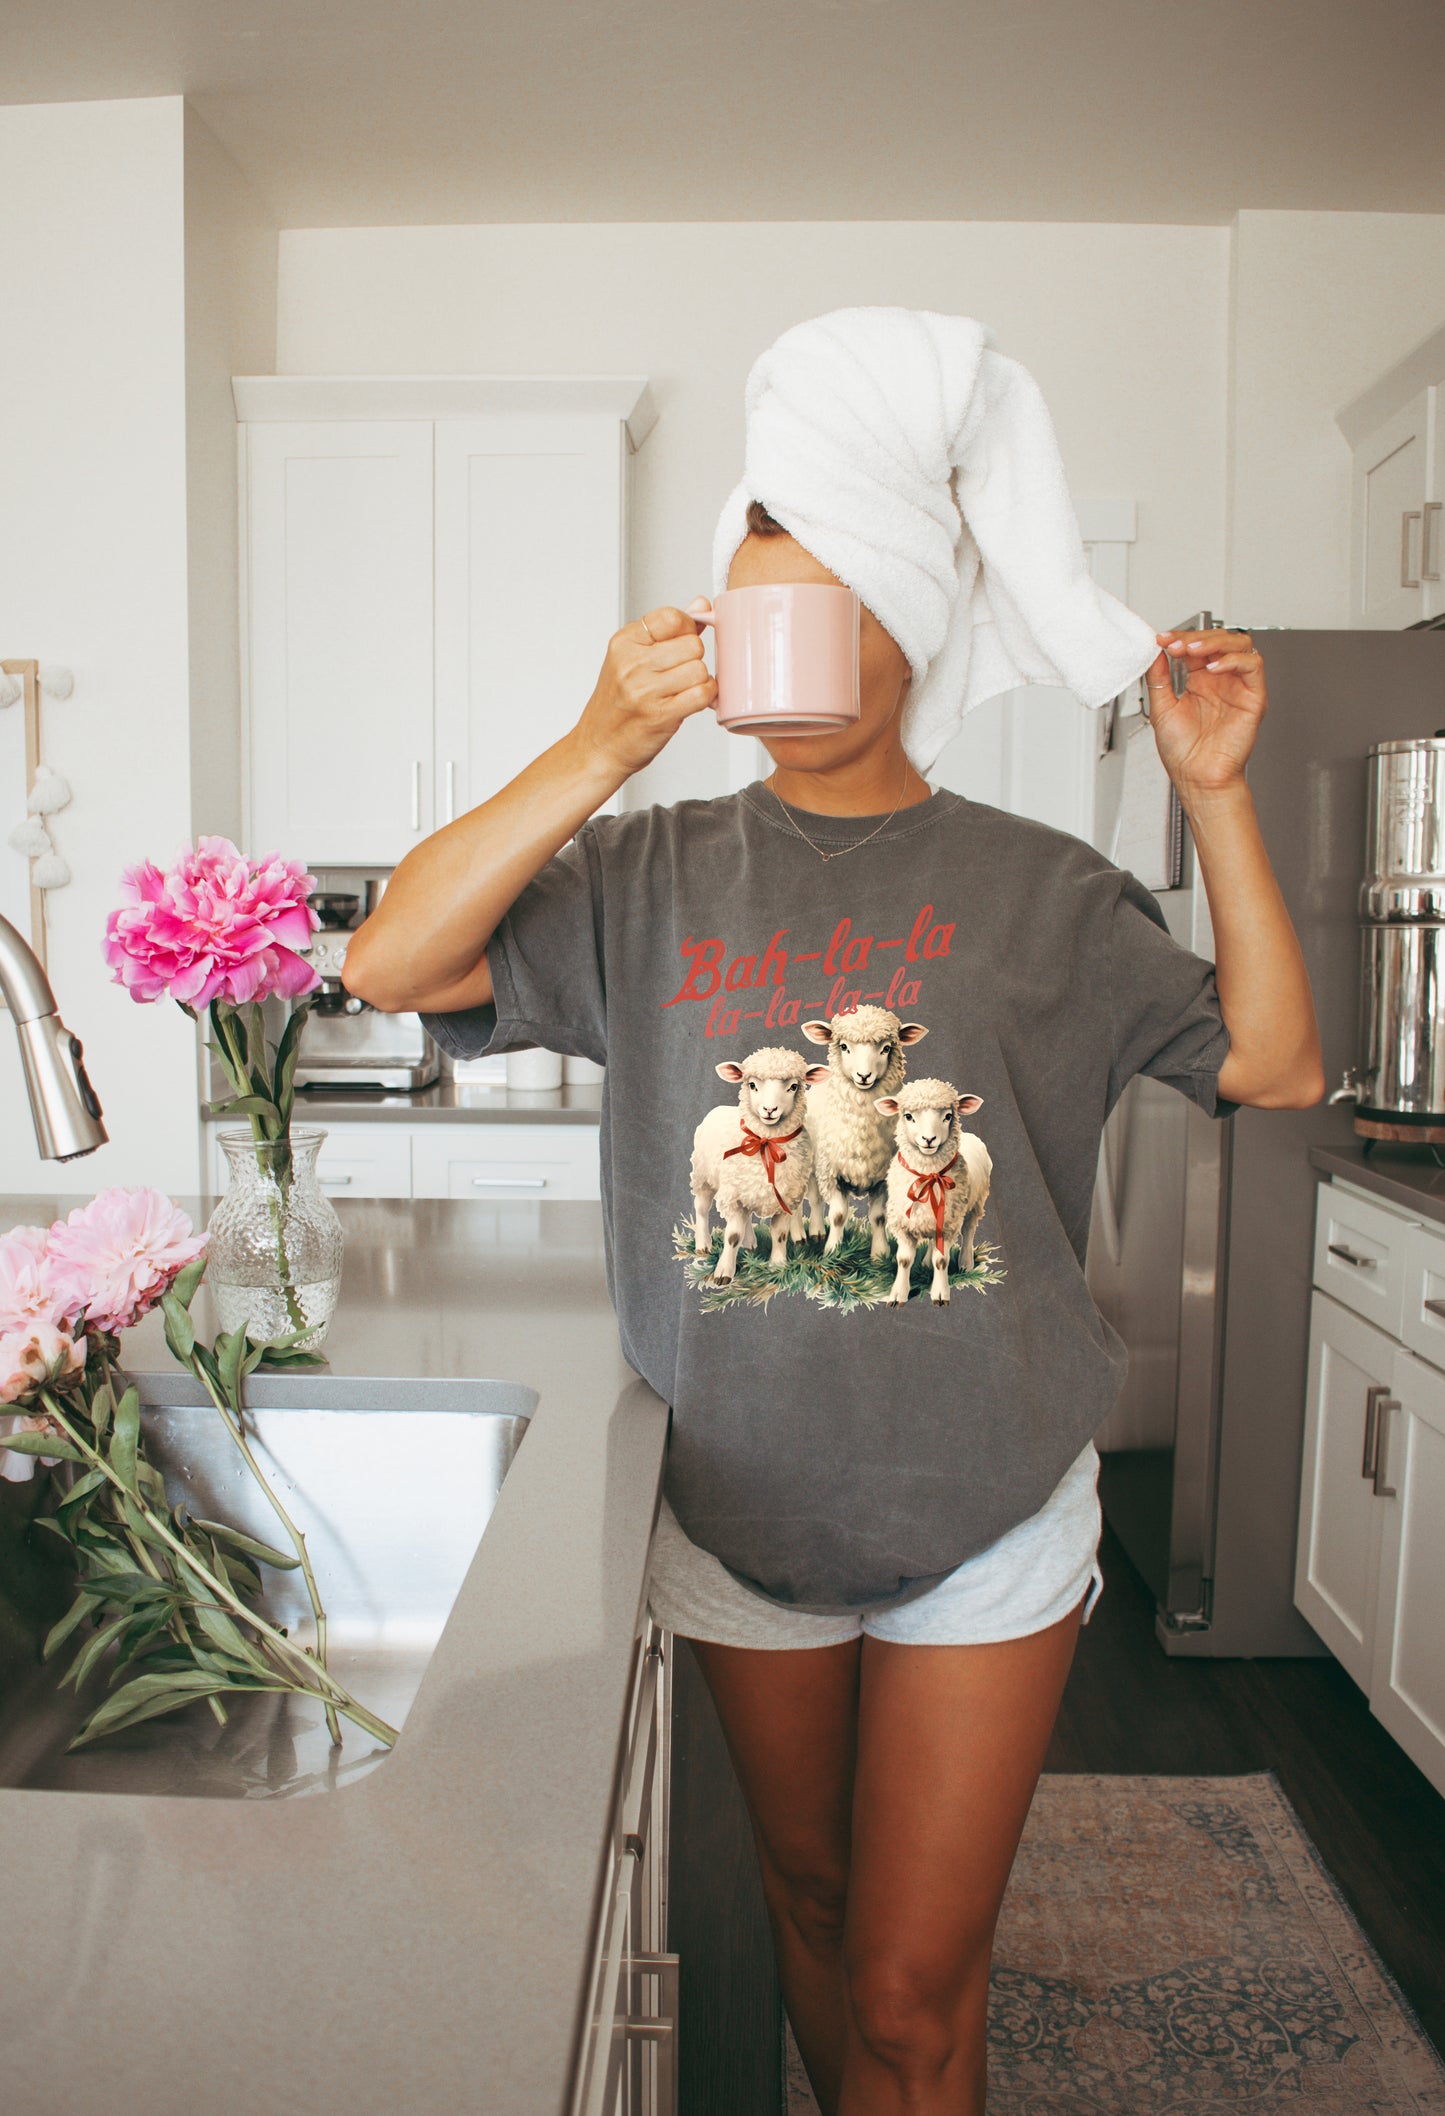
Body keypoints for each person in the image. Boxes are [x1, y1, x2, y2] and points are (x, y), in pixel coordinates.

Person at [343, 503, 1323, 2115]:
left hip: (992, 1493)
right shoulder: (643, 873)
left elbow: (1274, 1067)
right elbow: (389, 964)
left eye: (819, 610)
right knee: (808, 1901)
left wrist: (1211, 793)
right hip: (738, 1501)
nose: (772, 652)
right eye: (744, 619)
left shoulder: (1045, 888)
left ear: (912, 629)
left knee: (907, 1988)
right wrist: (601, 745)